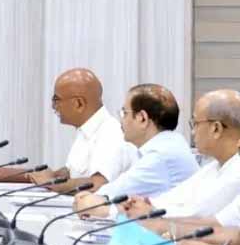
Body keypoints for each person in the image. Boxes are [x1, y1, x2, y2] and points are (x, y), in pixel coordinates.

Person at [115, 90, 240, 219]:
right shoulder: (214, 166)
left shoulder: (236, 172)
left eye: (195, 124)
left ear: (216, 129)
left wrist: (149, 210)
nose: (192, 132)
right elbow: (178, 196)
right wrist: (146, 203)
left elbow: (197, 214)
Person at [73, 83, 197, 212]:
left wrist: (88, 199)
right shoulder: (171, 143)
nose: (121, 120)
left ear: (142, 118)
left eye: (124, 113)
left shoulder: (160, 156)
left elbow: (103, 197)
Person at [29, 68, 137, 191]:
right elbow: (74, 172)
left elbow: (97, 185)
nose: (53, 106)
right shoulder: (86, 129)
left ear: (79, 104)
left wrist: (50, 183)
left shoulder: (111, 133)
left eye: (56, 100)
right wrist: (53, 174)